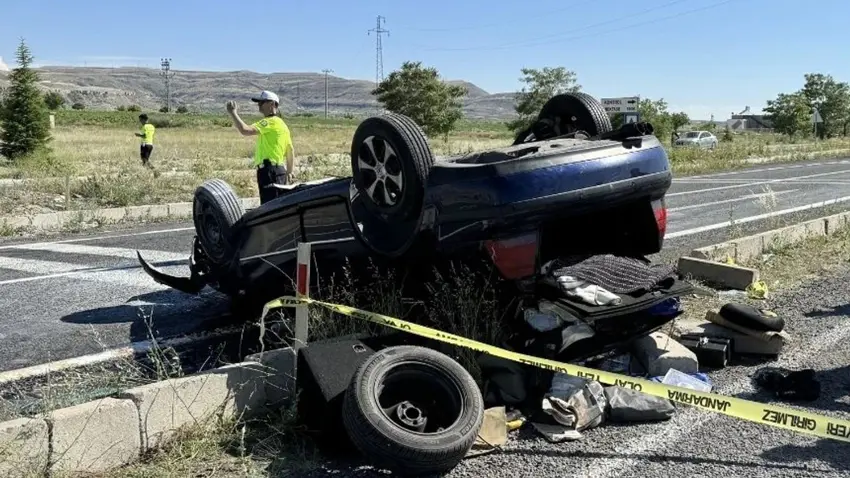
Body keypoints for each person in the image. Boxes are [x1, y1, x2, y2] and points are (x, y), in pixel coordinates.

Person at [226, 90, 295, 204]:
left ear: (272, 104)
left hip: (269, 172)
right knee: (277, 206)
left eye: (262, 102)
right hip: (278, 171)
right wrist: (289, 171)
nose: (259, 105)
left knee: (270, 208)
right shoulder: (282, 125)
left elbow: (245, 130)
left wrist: (233, 113)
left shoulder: (269, 122)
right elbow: (290, 150)